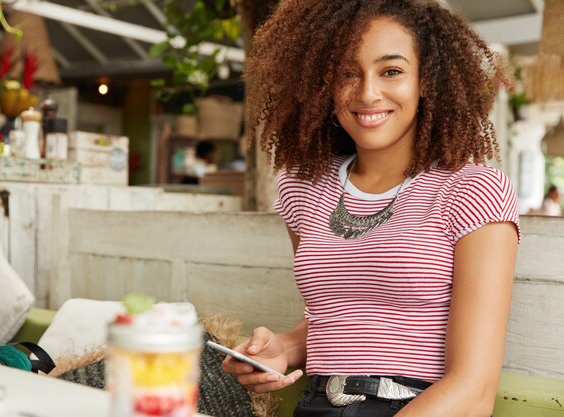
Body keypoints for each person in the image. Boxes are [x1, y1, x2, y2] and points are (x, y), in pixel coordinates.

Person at [222, 1, 521, 416]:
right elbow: (338, 316)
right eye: (347, 73)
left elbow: (473, 389)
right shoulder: (304, 189)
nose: (367, 92)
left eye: (391, 71)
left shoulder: (472, 190)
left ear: (426, 82)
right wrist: (285, 347)